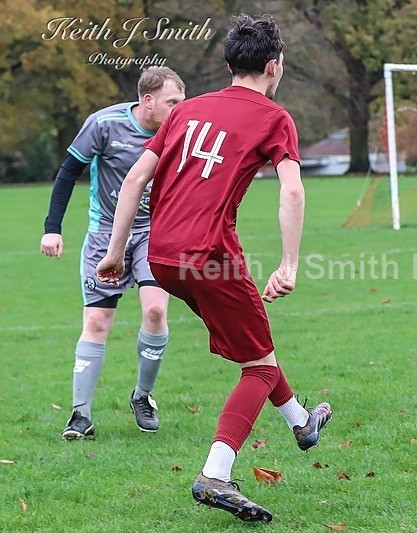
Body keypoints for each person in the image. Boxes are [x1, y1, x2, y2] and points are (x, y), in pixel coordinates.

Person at [96, 14, 331, 523]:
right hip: (210, 257)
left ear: (228, 66)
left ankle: (301, 422)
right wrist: (289, 264)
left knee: (255, 343)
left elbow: (134, 179)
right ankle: (215, 473)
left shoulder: (187, 109)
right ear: (275, 66)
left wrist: (115, 254)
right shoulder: (275, 117)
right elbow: (292, 190)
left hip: (162, 256)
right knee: (259, 366)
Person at [41, 67, 186, 440]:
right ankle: (80, 415)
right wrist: (52, 228)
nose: (179, 108)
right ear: (148, 101)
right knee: (97, 322)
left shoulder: (182, 128)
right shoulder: (103, 125)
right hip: (105, 233)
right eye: (172, 102)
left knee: (155, 311)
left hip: (154, 233)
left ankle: (142, 396)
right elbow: (67, 173)